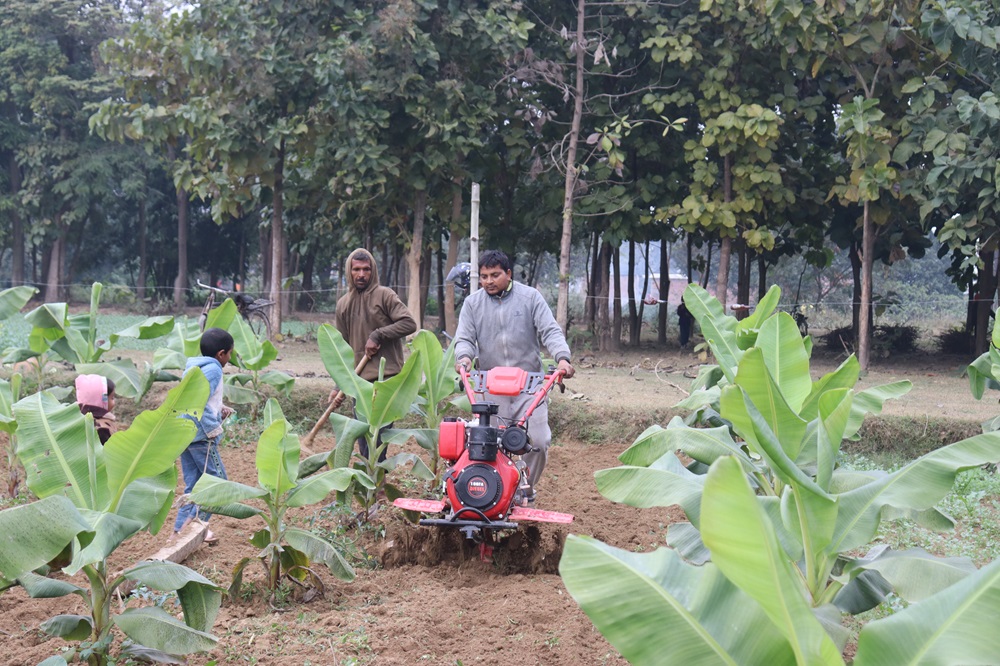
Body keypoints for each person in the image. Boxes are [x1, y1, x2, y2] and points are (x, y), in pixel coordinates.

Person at [453, 249, 575, 505]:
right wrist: (463, 357)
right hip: (490, 388)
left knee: (538, 443)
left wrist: (563, 358)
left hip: (528, 387)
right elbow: (464, 338)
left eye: (495, 275)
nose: (488, 281)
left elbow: (550, 331)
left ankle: (523, 491)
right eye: (484, 276)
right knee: (488, 445)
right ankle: (492, 493)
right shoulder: (473, 304)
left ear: (508, 274)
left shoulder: (530, 298)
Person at [330, 248, 418, 462]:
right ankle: (373, 484)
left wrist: (379, 335)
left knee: (378, 437)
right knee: (363, 438)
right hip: (358, 381)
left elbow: (409, 323)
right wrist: (338, 386)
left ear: (373, 271)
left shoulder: (385, 295)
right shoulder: (343, 304)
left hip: (386, 379)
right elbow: (342, 348)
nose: (361, 274)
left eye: (366, 269)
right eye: (356, 269)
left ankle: (377, 483)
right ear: (349, 272)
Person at [174, 327, 234, 544]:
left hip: (186, 435)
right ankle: (196, 526)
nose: (230, 357)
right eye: (230, 353)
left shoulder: (194, 367)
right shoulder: (215, 369)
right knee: (217, 483)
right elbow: (198, 402)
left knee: (194, 485)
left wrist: (220, 408)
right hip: (201, 437)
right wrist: (213, 427)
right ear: (221, 354)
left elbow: (202, 397)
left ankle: (180, 531)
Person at [75, 374, 117, 444]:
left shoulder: (75, 420)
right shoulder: (102, 430)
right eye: (112, 398)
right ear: (102, 401)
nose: (114, 402)